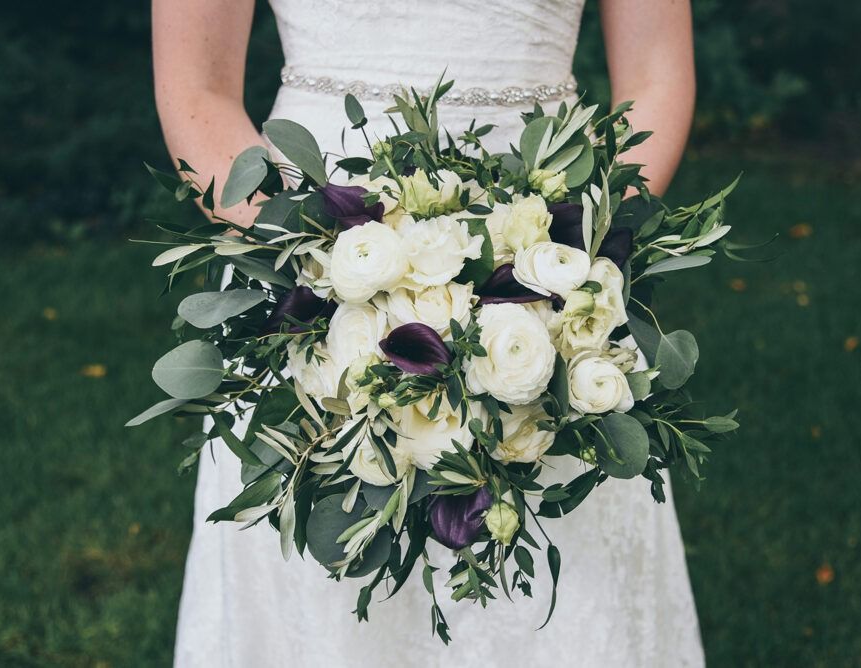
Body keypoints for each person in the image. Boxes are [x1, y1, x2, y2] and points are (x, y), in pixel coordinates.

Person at [154, 1, 702, 666]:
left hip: (549, 260)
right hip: (309, 266)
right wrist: (313, 271)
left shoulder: (559, 281)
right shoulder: (307, 273)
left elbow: (655, 75)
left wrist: (568, 269)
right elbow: (196, 86)